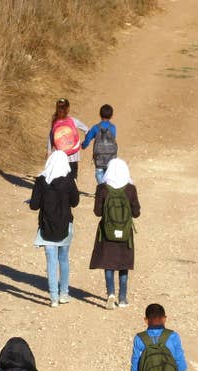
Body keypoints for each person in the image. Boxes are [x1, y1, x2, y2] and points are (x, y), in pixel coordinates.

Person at [30, 150, 80, 307]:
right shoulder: (69, 180)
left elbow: (34, 205)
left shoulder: (41, 180)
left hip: (46, 226)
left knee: (51, 261)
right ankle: (64, 293)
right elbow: (75, 202)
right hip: (65, 226)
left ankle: (53, 298)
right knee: (63, 259)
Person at [89, 158, 140, 309]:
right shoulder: (131, 189)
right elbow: (136, 213)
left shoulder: (102, 188)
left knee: (108, 263)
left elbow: (98, 212)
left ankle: (110, 293)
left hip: (107, 231)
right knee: (123, 264)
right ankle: (123, 298)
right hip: (125, 233)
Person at [47, 98, 88, 182]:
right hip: (74, 154)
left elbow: (51, 137)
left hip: (61, 155)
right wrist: (85, 142)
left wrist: (48, 151)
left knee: (62, 175)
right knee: (73, 176)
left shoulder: (55, 122)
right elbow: (87, 129)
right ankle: (73, 186)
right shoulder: (73, 120)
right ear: (68, 109)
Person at [81, 104, 117, 185]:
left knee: (99, 172)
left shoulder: (95, 128)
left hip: (99, 156)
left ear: (100, 115)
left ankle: (102, 188)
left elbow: (87, 140)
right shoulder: (113, 127)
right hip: (111, 156)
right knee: (109, 172)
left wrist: (83, 145)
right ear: (111, 116)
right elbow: (113, 138)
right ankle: (108, 188)